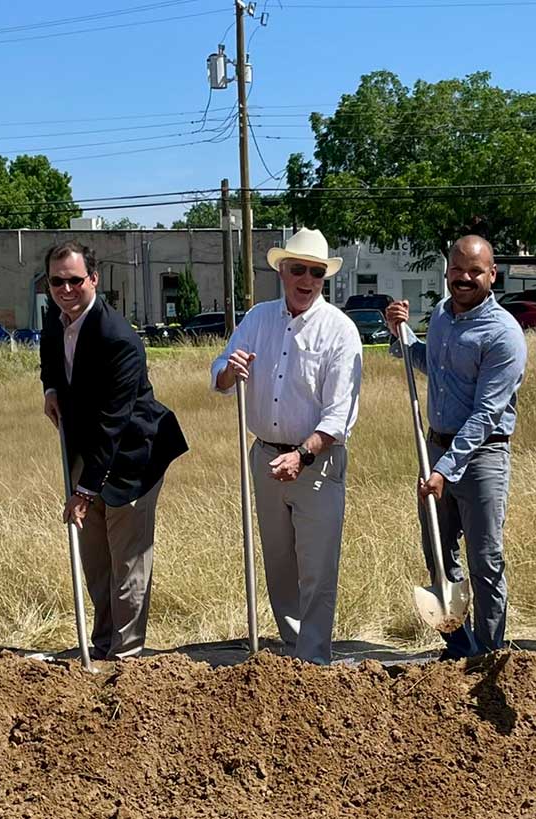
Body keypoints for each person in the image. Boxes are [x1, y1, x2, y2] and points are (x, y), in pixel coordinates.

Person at [210, 228, 362, 665]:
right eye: (299, 269)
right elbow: (221, 368)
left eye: (316, 273)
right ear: (282, 270)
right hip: (265, 456)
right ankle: (293, 658)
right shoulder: (257, 318)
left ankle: (314, 663)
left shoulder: (340, 331)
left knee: (316, 569)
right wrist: (228, 370)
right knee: (279, 566)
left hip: (318, 462)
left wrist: (303, 455)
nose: (307, 280)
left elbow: (339, 414)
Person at [40, 241, 188, 660]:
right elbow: (50, 354)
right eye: (56, 281)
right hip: (87, 449)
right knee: (96, 561)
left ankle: (125, 655)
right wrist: (51, 388)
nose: (65, 289)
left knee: (126, 564)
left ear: (94, 279)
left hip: (133, 456)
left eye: (74, 280)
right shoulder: (57, 316)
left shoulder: (118, 338)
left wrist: (85, 492)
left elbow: (113, 424)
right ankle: (102, 643)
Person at [383, 235, 527, 660]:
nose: (464, 278)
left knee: (485, 560)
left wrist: (445, 469)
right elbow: (434, 367)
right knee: (438, 554)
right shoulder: (444, 316)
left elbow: (486, 414)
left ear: (492, 274)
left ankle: (488, 653)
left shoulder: (504, 335)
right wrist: (401, 335)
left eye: (475, 271)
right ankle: (457, 646)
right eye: (457, 269)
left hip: (482, 456)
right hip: (437, 448)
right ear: (446, 271)